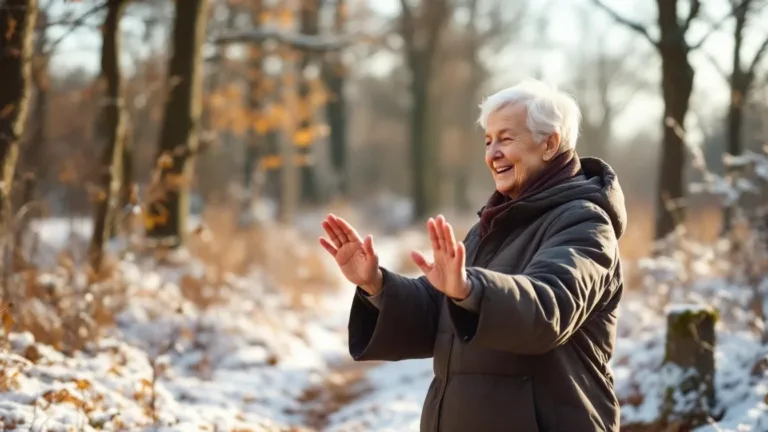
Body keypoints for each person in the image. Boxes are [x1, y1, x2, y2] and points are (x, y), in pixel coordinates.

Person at [318, 79, 627, 432]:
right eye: (488, 140)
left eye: (505, 138)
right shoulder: (492, 225)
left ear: (549, 144)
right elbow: (442, 312)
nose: (492, 153)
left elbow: (548, 308)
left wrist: (470, 289)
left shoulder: (585, 222)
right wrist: (375, 285)